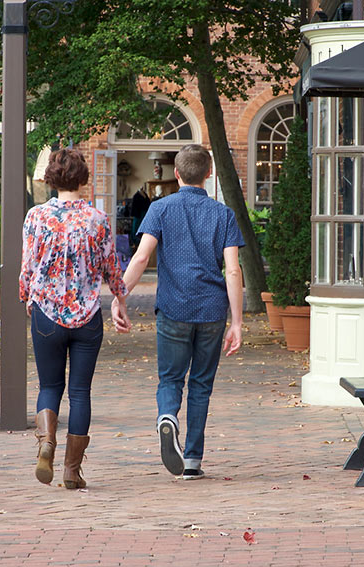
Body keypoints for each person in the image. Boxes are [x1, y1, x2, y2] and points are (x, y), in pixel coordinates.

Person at [111, 144, 244, 481]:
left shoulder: (161, 208)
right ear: (209, 174)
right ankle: (192, 459)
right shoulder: (223, 214)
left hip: (173, 307)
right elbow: (232, 270)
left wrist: (119, 296)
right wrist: (238, 322)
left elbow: (140, 258)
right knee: (201, 384)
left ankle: (167, 415)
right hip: (212, 311)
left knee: (170, 378)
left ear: (178, 174)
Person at [20, 148, 128, 489]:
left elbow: (27, 267)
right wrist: (120, 301)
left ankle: (46, 441)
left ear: (51, 178)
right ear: (83, 178)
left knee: (49, 386)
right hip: (86, 316)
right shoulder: (97, 219)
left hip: (46, 314)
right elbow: (112, 267)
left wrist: (28, 297)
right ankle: (71, 471)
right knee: (80, 391)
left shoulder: (36, 217)